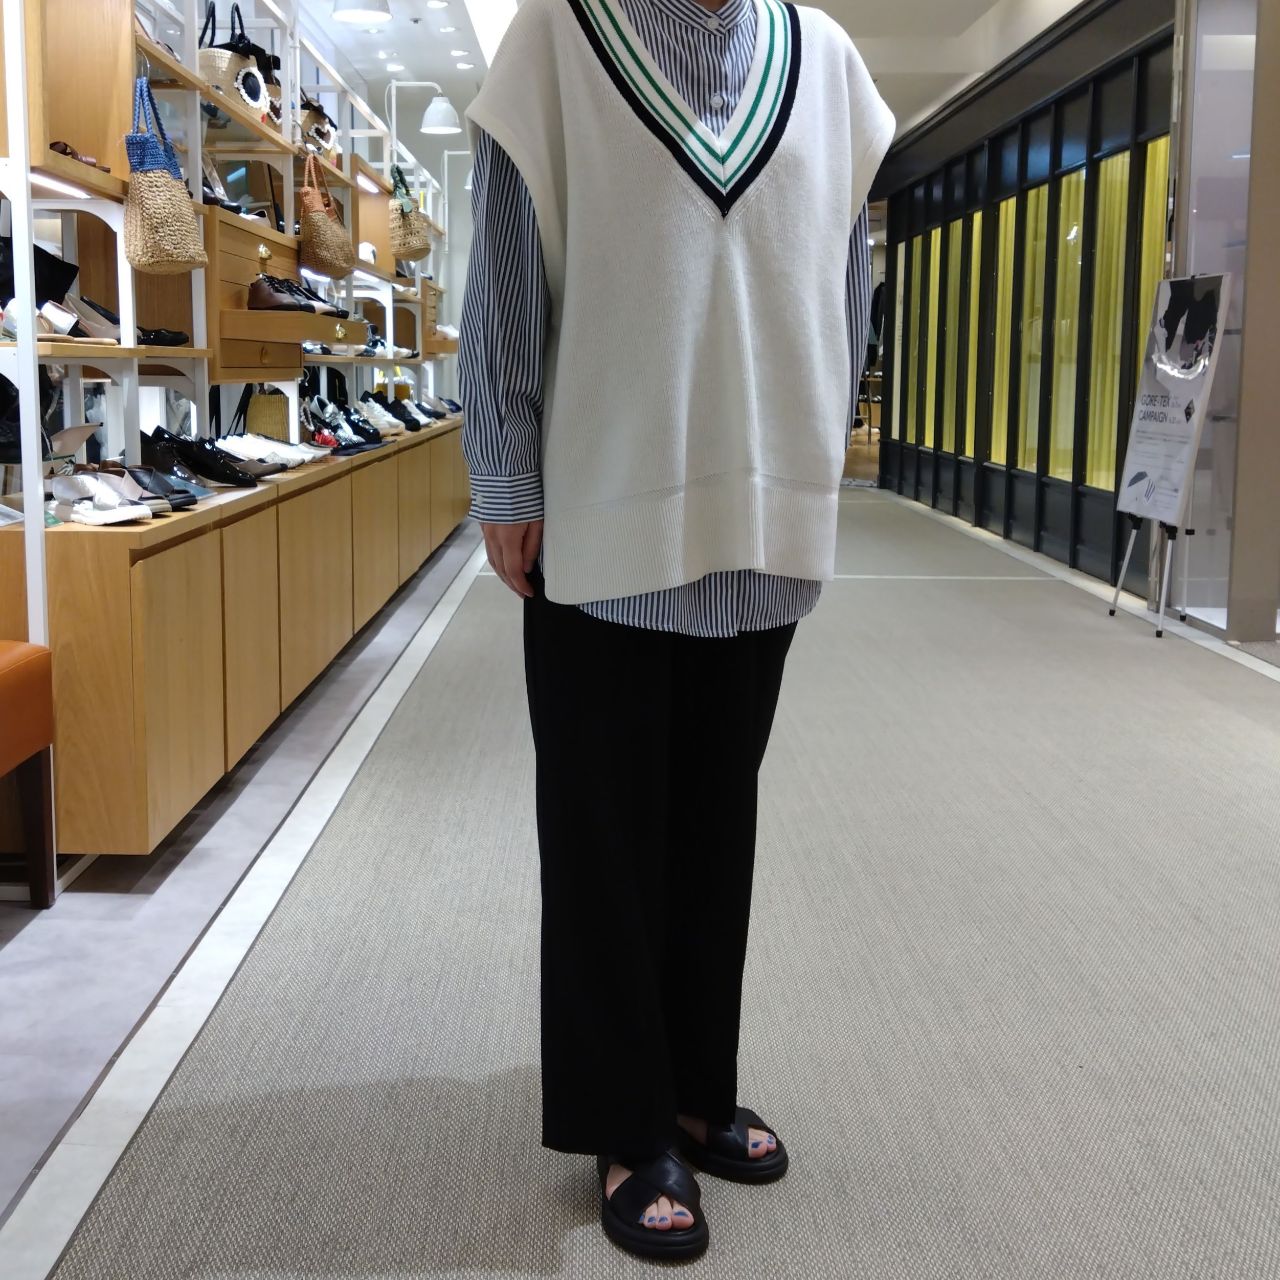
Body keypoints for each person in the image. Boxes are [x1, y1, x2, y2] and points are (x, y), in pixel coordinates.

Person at [459, 0, 893, 1261]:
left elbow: (844, 284)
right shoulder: (555, 39)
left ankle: (697, 1086)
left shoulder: (825, 61)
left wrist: (816, 464)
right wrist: (504, 473)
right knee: (602, 831)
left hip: (762, 508)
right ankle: (624, 1120)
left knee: (716, 817)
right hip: (601, 503)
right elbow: (503, 274)